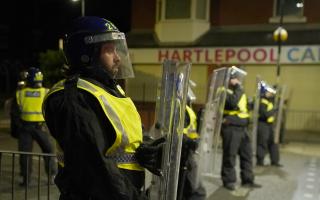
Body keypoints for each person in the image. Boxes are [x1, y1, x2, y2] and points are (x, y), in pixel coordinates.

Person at [42, 16, 164, 200]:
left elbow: (120, 140)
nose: (118, 58)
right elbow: (94, 165)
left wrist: (147, 148)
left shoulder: (109, 91)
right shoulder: (75, 97)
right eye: (109, 50)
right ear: (86, 53)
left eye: (117, 50)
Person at [11, 67, 57, 186]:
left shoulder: (20, 93)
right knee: (49, 152)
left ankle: (26, 180)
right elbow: (53, 111)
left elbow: (14, 114)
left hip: (25, 128)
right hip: (41, 128)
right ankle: (52, 177)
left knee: (25, 154)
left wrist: (16, 130)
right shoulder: (46, 92)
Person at [221, 66, 261, 190]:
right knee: (230, 155)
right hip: (231, 127)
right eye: (236, 78)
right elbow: (232, 103)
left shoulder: (238, 91)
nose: (238, 81)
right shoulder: (223, 90)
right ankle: (229, 181)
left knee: (247, 155)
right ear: (230, 79)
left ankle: (248, 180)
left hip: (243, 128)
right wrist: (238, 88)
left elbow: (242, 106)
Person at [177, 87, 206, 200]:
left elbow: (191, 129)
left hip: (188, 148)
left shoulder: (186, 108)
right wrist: (190, 141)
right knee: (194, 186)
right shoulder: (179, 108)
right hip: (183, 149)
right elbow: (175, 131)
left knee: (190, 184)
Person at [256, 82, 282, 167]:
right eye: (268, 92)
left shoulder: (270, 100)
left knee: (273, 143)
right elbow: (265, 114)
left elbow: (276, 96)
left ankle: (275, 161)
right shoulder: (262, 101)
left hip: (270, 125)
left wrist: (276, 88)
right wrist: (274, 110)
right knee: (262, 142)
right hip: (263, 124)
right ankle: (260, 161)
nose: (270, 94)